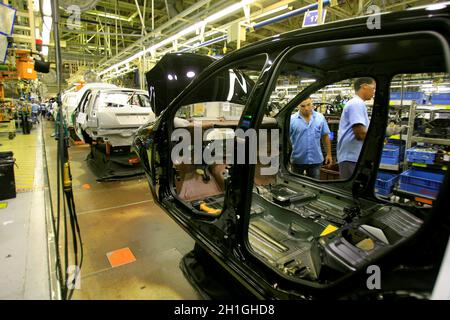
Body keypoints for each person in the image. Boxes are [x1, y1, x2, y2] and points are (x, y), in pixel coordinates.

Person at [337, 77, 376, 180]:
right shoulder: (356, 103)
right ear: (364, 86)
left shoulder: (358, 103)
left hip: (353, 156)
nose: (374, 92)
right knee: (350, 192)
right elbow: (360, 134)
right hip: (351, 157)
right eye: (373, 88)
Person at [290, 97, 332, 179]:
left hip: (316, 160)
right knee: (296, 187)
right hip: (297, 160)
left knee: (315, 187)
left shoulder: (320, 117)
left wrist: (329, 154)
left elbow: (325, 136)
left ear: (312, 103)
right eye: (303, 106)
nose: (306, 108)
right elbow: (285, 139)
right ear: (298, 106)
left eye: (308, 105)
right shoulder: (292, 120)